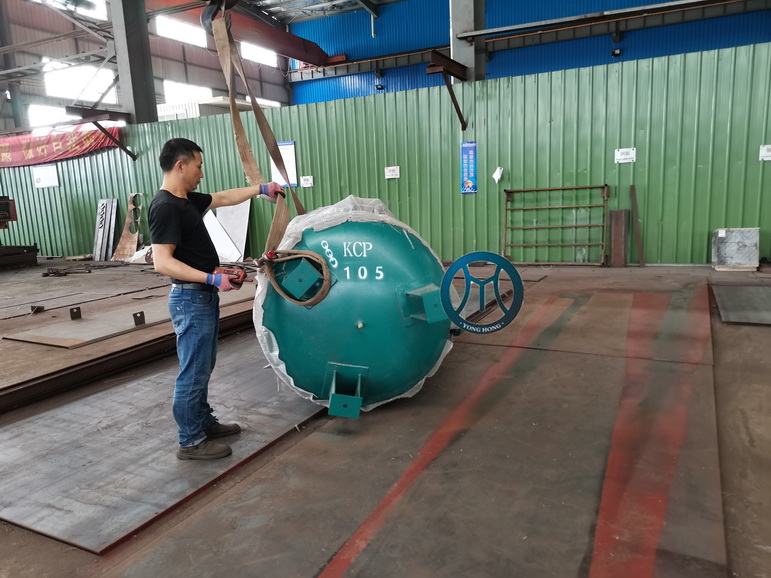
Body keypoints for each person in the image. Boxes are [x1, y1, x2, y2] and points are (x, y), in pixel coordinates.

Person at [148, 137, 283, 460]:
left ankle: (203, 422)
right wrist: (210, 277)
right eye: (198, 166)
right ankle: (190, 441)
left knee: (203, 366)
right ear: (180, 166)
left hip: (201, 298)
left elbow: (223, 198)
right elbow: (162, 262)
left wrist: (261, 189)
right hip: (190, 299)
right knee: (193, 371)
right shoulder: (166, 206)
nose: (202, 173)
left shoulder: (186, 201)